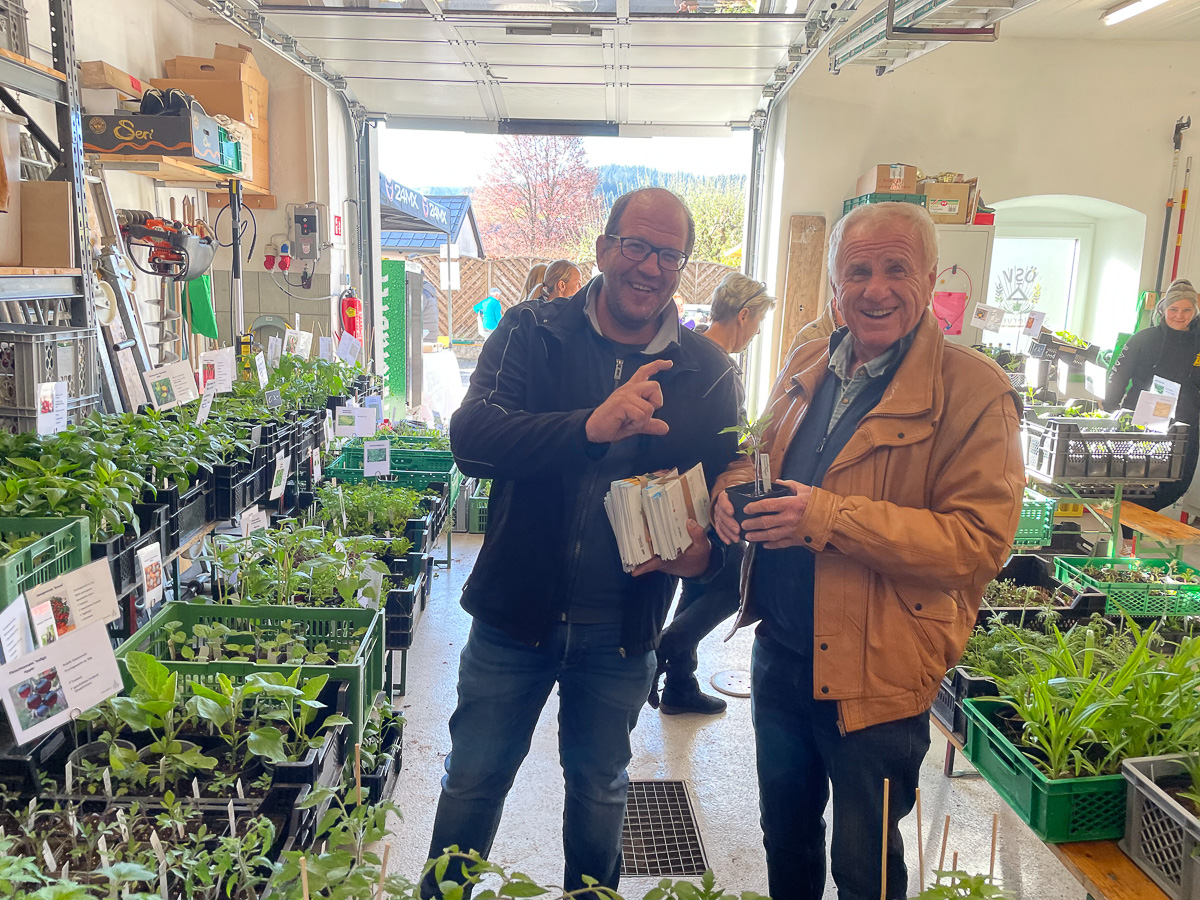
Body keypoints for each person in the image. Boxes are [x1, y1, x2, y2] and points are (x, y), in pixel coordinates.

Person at [424, 187, 741, 898]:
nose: (649, 266)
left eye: (669, 254)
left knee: (601, 789)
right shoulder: (532, 331)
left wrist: (701, 557)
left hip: (621, 634)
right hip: (512, 617)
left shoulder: (710, 372)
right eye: (636, 245)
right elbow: (471, 440)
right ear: (603, 249)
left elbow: (726, 495)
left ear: (682, 267)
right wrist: (588, 428)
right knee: (473, 779)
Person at [711, 202, 1024, 900]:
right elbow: (755, 453)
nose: (875, 289)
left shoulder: (975, 392)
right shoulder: (807, 361)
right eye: (857, 272)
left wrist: (827, 517)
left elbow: (977, 544)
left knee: (864, 863)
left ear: (931, 278)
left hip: (878, 674)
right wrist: (728, 491)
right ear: (834, 287)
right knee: (784, 834)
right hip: (781, 652)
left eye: (895, 269)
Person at [649, 271, 776, 714]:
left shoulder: (684, 352)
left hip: (671, 492)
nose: (755, 333)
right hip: (705, 498)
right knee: (733, 584)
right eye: (757, 323)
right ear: (743, 316)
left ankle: (680, 685)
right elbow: (731, 442)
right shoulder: (722, 369)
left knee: (695, 589)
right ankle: (664, 650)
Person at [1105, 278, 1200, 512]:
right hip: (1141, 420)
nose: (1180, 316)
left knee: (1177, 485)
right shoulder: (1144, 338)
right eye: (1174, 309)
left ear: (1195, 311)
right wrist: (1110, 408)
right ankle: (1127, 529)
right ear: (1163, 309)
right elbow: (1119, 375)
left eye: (1187, 310)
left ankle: (1139, 521)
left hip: (1184, 425)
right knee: (1134, 482)